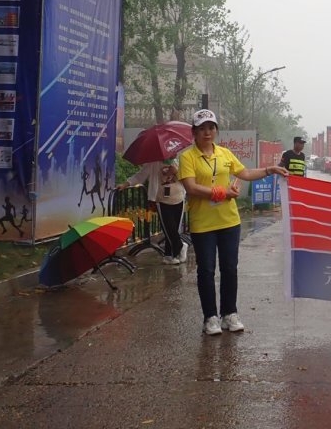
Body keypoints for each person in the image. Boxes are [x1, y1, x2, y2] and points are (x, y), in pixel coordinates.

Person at [178, 109, 288, 336]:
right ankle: (210, 317)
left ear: (216, 130)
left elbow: (245, 173)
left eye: (211, 128)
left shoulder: (225, 154)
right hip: (203, 224)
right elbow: (191, 187)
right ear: (194, 132)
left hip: (229, 221)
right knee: (206, 270)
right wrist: (222, 193)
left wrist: (269, 170)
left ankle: (229, 313)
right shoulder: (187, 157)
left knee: (229, 268)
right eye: (202, 129)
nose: (207, 132)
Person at [117, 157, 188, 265]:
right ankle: (181, 246)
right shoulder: (153, 163)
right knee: (168, 228)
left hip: (179, 198)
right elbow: (140, 175)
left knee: (174, 229)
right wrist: (125, 184)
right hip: (162, 200)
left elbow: (188, 179)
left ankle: (169, 255)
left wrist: (176, 172)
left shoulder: (179, 161)